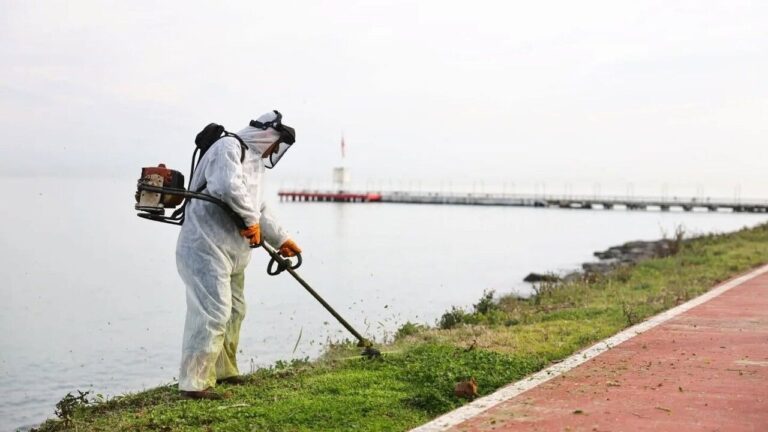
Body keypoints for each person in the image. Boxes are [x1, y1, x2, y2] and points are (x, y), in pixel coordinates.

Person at [175, 110, 301, 399]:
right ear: (266, 133)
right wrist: (250, 220)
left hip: (232, 253)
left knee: (234, 311)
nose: (275, 150)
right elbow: (226, 187)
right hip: (204, 247)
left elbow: (258, 208)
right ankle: (194, 384)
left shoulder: (255, 163)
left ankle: (223, 370)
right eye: (277, 143)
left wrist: (282, 239)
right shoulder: (227, 147)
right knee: (213, 312)